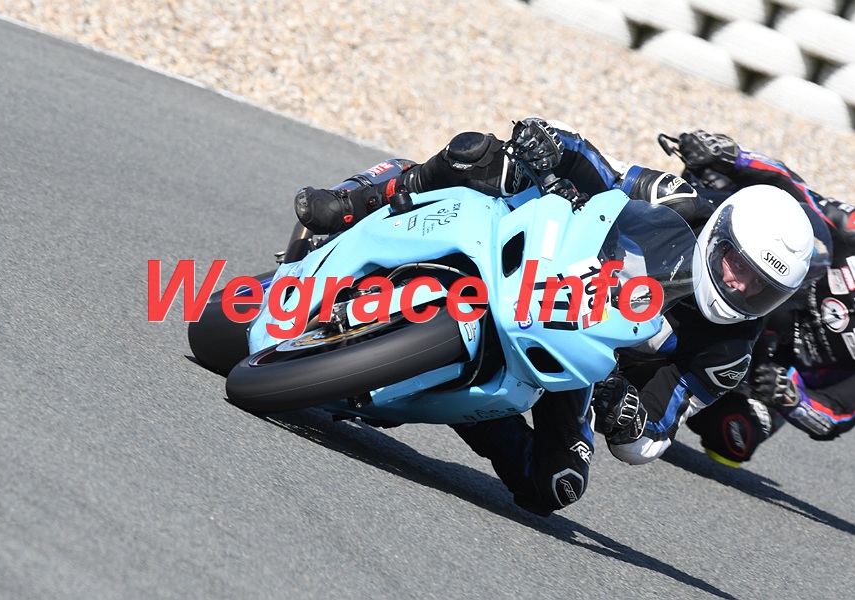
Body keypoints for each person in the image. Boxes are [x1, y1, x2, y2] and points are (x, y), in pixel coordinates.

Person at [293, 119, 814, 515]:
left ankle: (464, 403)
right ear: (719, 235)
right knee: (482, 155)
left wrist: (628, 416)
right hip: (549, 256)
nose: (741, 287)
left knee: (556, 484)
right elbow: (603, 170)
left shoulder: (729, 354)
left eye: (761, 288)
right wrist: (553, 144)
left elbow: (656, 431)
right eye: (738, 265)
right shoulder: (677, 202)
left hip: (582, 363)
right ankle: (355, 201)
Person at [665, 130, 855, 467]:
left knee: (732, 439)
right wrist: (730, 155)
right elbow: (792, 187)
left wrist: (792, 398)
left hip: (773, 371)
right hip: (755, 283)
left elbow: (836, 415)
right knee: (713, 195)